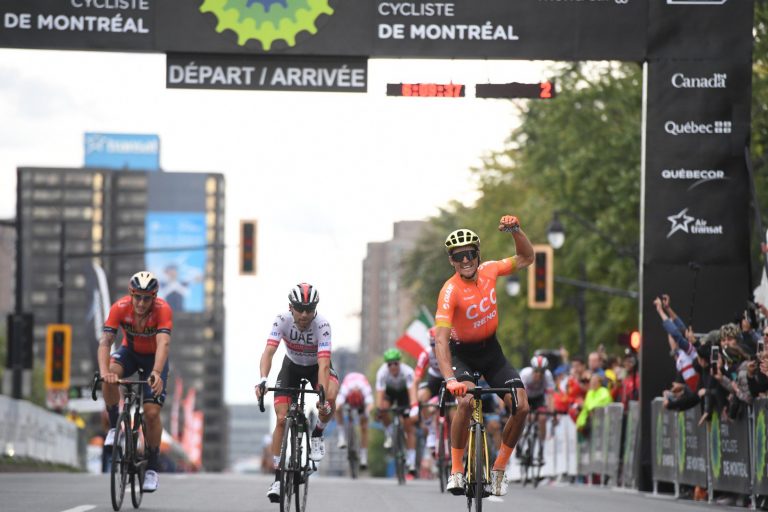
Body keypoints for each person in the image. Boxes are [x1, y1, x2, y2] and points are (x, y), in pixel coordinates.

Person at [434, 216, 534, 497]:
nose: (465, 260)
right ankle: (456, 470)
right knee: (465, 401)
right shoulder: (449, 291)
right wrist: (450, 378)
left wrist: (516, 231)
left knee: (522, 406)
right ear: (451, 261)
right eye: (458, 256)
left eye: (469, 254)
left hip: (492, 352)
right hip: (461, 355)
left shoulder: (490, 270)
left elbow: (527, 257)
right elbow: (441, 340)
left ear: (478, 254)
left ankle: (499, 469)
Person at [254, 283, 340, 503]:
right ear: (290, 307)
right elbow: (269, 352)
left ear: (315, 309)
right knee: (282, 419)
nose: (304, 314)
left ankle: (318, 433)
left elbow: (323, 365)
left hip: (315, 368)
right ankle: (277, 477)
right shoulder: (281, 320)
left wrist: (320, 396)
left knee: (330, 394)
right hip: (291, 366)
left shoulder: (322, 326)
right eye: (300, 309)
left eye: (309, 309)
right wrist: (263, 380)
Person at [98, 271, 171, 493]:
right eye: (137, 297)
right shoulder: (119, 307)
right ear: (131, 294)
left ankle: (152, 467)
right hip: (129, 353)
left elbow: (163, 344)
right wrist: (104, 373)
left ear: (154, 297)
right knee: (110, 374)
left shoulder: (163, 310)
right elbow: (105, 342)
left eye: (146, 298)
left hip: (153, 360)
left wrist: (157, 372)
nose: (140, 303)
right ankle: (114, 427)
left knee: (151, 413)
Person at [410, 327, 456, 452]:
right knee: (422, 398)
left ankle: (456, 443)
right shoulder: (426, 354)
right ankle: (431, 431)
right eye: (432, 345)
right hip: (434, 379)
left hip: (451, 379)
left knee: (455, 414)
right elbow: (416, 380)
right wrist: (414, 405)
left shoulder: (453, 351)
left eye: (438, 344)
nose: (435, 348)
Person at [374, 348, 419, 475]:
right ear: (386, 365)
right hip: (389, 393)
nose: (393, 366)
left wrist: (414, 407)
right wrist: (379, 410)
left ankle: (411, 460)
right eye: (389, 364)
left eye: (395, 363)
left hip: (404, 394)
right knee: (383, 408)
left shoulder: (408, 372)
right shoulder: (382, 373)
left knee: (409, 425)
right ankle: (389, 433)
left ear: (400, 362)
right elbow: (380, 394)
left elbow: (412, 392)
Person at [335, 371, 374, 469]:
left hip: (361, 401)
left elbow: (370, 405)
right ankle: (341, 436)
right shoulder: (345, 389)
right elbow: (338, 406)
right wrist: (337, 410)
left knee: (364, 425)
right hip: (349, 396)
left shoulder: (365, 389)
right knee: (337, 409)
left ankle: (363, 457)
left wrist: (366, 413)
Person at [519, 355, 556, 446]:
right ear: (532, 369)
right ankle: (520, 440)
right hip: (526, 397)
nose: (539, 374)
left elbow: (550, 395)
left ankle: (541, 447)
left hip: (539, 398)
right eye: (536, 371)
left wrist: (552, 412)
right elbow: (520, 394)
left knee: (542, 418)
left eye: (542, 372)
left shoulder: (547, 375)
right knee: (526, 417)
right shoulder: (525, 374)